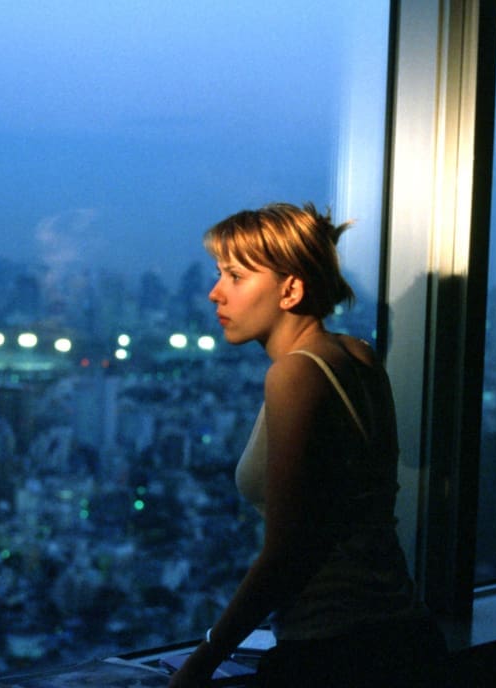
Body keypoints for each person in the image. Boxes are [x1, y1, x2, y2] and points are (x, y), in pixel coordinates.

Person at [168, 202, 447, 688]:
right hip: (404, 635)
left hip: (338, 654)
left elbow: (286, 551)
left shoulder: (295, 374)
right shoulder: (357, 355)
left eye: (234, 276)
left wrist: (202, 661)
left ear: (290, 288)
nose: (215, 293)